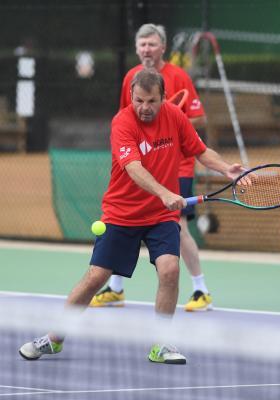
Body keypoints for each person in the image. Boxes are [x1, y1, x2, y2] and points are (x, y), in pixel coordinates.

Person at [19, 70, 248, 364]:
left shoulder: (174, 117)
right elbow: (133, 168)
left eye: (151, 101)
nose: (145, 107)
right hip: (122, 213)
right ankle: (54, 338)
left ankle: (161, 344)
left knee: (169, 270)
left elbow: (200, 151)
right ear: (131, 97)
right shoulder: (123, 122)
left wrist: (226, 168)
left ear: (163, 98)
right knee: (95, 278)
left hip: (160, 217)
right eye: (139, 100)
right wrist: (165, 192)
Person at [90, 23, 212, 312]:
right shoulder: (132, 78)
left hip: (175, 167)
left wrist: (172, 120)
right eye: (142, 44)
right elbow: (128, 116)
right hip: (141, 168)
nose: (147, 49)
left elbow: (199, 120)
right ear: (137, 48)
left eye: (152, 44)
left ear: (163, 47)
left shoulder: (179, 76)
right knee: (128, 223)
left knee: (178, 227)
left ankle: (200, 289)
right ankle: (116, 288)